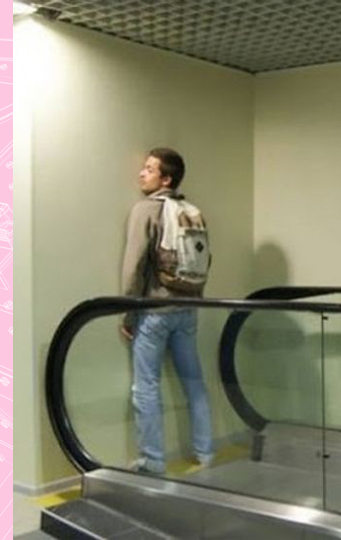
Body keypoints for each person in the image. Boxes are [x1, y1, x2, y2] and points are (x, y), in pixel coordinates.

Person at [120, 147, 213, 474]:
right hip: (188, 309)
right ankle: (206, 453)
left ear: (166, 179)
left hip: (155, 312)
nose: (141, 173)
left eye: (150, 169)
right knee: (194, 383)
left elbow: (134, 266)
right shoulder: (192, 211)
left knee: (145, 387)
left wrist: (128, 313)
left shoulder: (146, 210)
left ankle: (153, 461)